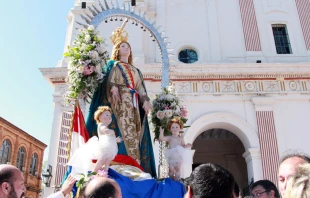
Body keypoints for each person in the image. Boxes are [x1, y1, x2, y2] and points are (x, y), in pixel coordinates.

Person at [86, 27, 156, 177]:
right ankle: (118, 162)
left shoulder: (136, 71)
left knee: (134, 133)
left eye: (128, 46)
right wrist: (113, 87)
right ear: (117, 50)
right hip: (118, 105)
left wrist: (145, 101)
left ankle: (134, 163)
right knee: (120, 130)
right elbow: (107, 81)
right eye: (123, 46)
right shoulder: (113, 65)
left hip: (133, 106)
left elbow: (140, 89)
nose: (127, 48)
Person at [68, 106, 122, 173]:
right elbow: (105, 131)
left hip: (110, 147)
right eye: (107, 115)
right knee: (102, 160)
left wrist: (115, 140)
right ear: (100, 117)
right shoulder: (101, 125)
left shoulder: (106, 126)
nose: (109, 117)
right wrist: (111, 132)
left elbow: (110, 139)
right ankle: (94, 173)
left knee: (107, 162)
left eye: (110, 115)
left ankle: (104, 173)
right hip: (104, 146)